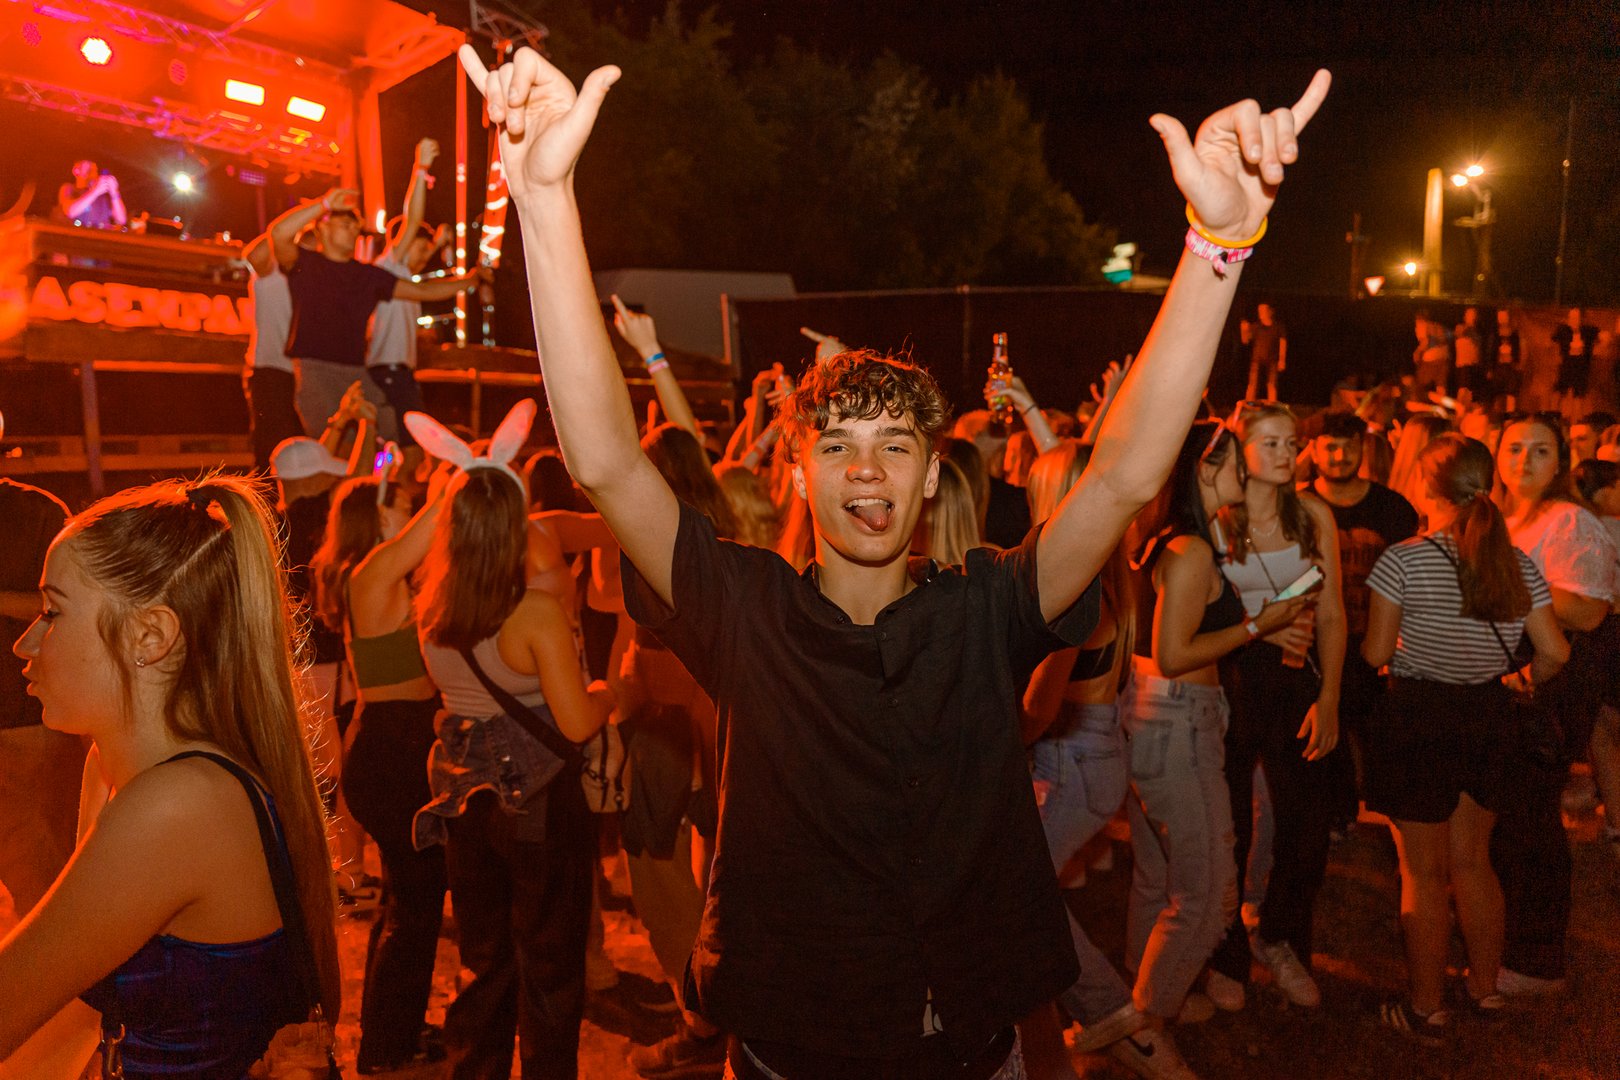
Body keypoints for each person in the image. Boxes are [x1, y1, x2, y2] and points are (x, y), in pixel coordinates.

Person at [456, 43, 1329, 1080]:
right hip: (787, 1057)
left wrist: (1218, 246)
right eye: (838, 445)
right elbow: (604, 460)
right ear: (800, 473)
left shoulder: (989, 605)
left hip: (968, 1054)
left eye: (894, 446)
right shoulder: (745, 608)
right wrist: (544, 201)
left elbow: (1123, 477)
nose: (866, 468)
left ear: (927, 482)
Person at [1, 476, 338, 1078]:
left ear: (150, 636)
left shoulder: (177, 805)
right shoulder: (116, 772)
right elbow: (83, 1010)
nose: (24, 643)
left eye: (52, 611)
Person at [409, 404, 615, 1080]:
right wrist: (615, 691)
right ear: (514, 525)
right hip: (539, 804)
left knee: (486, 960)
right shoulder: (534, 613)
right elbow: (577, 723)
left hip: (466, 801)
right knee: (550, 965)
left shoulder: (432, 606)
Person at [1360, 434, 1567, 1043]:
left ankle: (1427, 1008)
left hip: (1419, 717)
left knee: (1423, 873)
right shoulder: (1516, 561)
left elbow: (1375, 652)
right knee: (1475, 862)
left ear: (1427, 489)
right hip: (1487, 716)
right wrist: (1522, 678)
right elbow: (1555, 650)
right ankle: (1485, 989)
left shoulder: (1402, 560)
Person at [1122, 422, 1312, 1077]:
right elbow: (1175, 653)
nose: (1247, 469)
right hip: (1178, 719)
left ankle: (1141, 1002)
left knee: (1157, 879)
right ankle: (1144, 1031)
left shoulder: (1168, 539)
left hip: (1154, 713)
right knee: (1208, 899)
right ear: (1205, 468)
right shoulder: (1192, 550)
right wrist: (1262, 624)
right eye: (1236, 460)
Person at [1204, 403, 1345, 1012]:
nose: (1288, 453)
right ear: (1241, 451)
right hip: (1230, 677)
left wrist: (1330, 696)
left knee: (1307, 825)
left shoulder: (1312, 514)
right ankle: (1225, 953)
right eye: (1272, 442)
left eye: (1292, 442)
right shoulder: (1215, 520)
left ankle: (1279, 936)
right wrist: (1262, 626)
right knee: (1229, 826)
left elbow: (1332, 614)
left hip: (1295, 678)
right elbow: (1193, 613)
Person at [311, 468, 449, 1073]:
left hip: (395, 742)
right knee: (416, 904)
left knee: (405, 902)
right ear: (378, 518)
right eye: (400, 506)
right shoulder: (371, 574)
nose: (410, 513)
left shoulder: (375, 577)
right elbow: (438, 519)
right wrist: (461, 471)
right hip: (395, 748)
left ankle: (393, 1030)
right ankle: (388, 1049)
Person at [1016, 440, 1140, 1073]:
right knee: (1023, 891)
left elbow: (1039, 706)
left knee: (1017, 894)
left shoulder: (1070, 587)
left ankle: (1108, 1009)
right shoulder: (1110, 569)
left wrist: (990, 742)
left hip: (1072, 762)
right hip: (1095, 755)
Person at [1490, 412, 1620, 998]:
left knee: (1532, 817)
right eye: (1514, 448)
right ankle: (1508, 941)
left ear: (1561, 461)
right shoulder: (1498, 518)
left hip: (1555, 679)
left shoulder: (1569, 520)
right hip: (1511, 675)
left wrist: (1506, 584)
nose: (1524, 461)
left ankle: (1537, 960)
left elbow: (1590, 610)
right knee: (1507, 815)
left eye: (1540, 450)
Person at [269, 187, 483, 439]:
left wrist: (470, 281)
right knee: (333, 444)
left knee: (386, 433)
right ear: (323, 229)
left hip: (357, 372)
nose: (353, 231)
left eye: (355, 226)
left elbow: (422, 291)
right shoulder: (305, 264)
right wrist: (323, 204)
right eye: (345, 224)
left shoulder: (367, 276)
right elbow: (278, 234)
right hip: (316, 371)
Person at [1305, 411, 1419, 829]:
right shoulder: (1298, 507)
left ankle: (1390, 818)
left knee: (1378, 737)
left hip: (1377, 644)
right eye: (1330, 446)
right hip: (1313, 644)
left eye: (1349, 446)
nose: (1339, 456)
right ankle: (1337, 817)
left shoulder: (1392, 509)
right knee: (1324, 736)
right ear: (1313, 450)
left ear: (1362, 449)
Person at [0, 430, 76, 922]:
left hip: (26, 722)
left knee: (42, 886)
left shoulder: (38, 513)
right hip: (25, 725)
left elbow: (69, 604)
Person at [366, 138, 472, 448]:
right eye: (422, 248)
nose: (426, 256)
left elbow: (421, 255)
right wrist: (421, 168)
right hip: (388, 372)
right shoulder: (387, 266)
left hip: (398, 373)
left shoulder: (401, 273)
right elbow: (412, 221)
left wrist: (437, 243)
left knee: (405, 448)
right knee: (409, 448)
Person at [240, 226, 306, 470]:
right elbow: (253, 255)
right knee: (272, 453)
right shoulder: (272, 271)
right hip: (272, 371)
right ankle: (265, 496)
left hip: (306, 374)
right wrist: (298, 221)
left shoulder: (313, 276)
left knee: (306, 454)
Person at [55, 159, 126, 228]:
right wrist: (96, 191)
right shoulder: (69, 188)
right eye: (88, 164)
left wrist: (114, 192)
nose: (93, 168)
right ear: (76, 171)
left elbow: (121, 219)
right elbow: (70, 212)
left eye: (95, 167)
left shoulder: (103, 196)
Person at [1552, 308, 1599, 405]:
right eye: (1572, 318)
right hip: (1567, 367)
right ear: (1568, 319)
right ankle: (1559, 412)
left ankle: (1576, 413)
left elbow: (1599, 335)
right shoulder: (1563, 331)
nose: (1574, 321)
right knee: (1561, 392)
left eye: (1576, 318)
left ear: (1580, 320)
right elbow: (1553, 340)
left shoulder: (1588, 331)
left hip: (1581, 369)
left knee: (1578, 396)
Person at [1242, 302, 1287, 402]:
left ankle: (1272, 406)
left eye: (1263, 310)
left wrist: (1282, 360)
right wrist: (1244, 330)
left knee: (1272, 385)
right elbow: (1245, 341)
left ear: (1270, 312)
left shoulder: (1278, 327)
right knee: (1252, 384)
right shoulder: (1256, 326)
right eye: (1259, 310)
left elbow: (1283, 343)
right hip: (1257, 359)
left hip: (1272, 360)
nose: (1260, 313)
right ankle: (1249, 405)